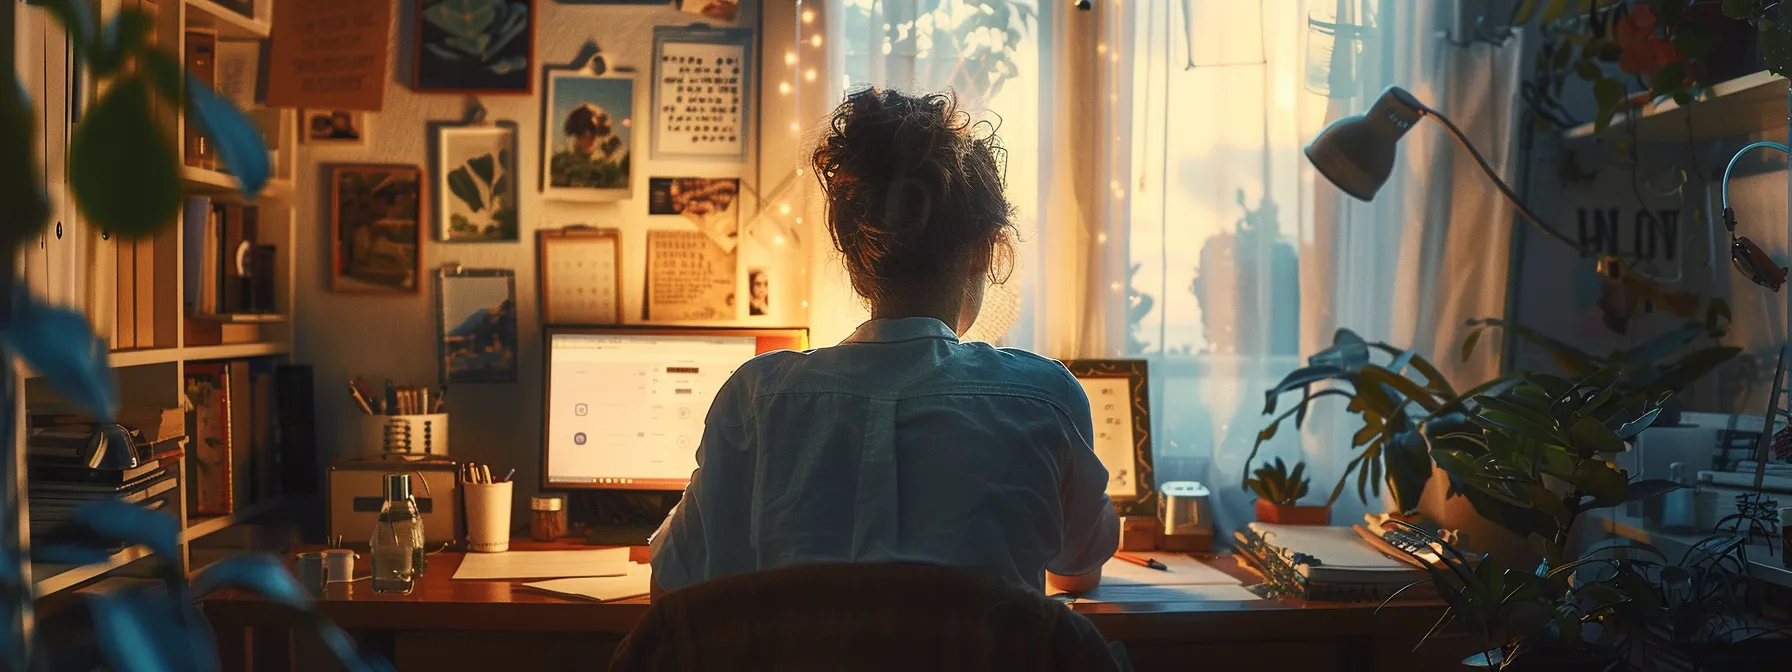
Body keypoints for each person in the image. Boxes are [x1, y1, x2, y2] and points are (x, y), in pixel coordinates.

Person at [651, 88, 1119, 597]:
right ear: (987, 248)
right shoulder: (1045, 397)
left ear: (853, 250)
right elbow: (1076, 571)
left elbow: (672, 588)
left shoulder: (757, 397)